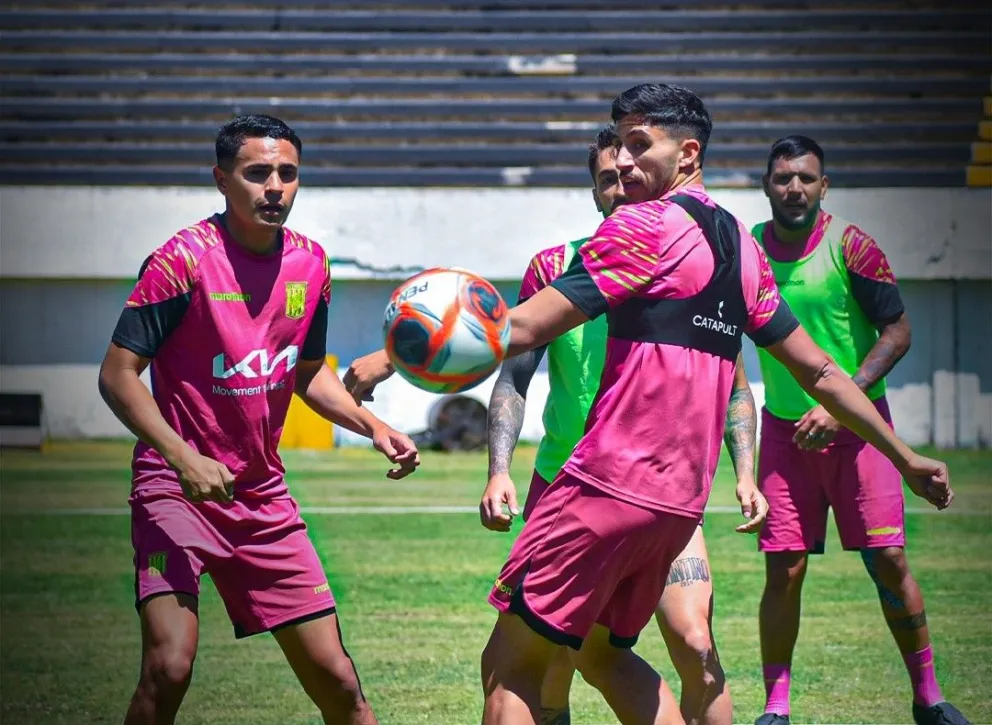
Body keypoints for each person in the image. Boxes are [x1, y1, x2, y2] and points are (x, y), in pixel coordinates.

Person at [343, 84, 953, 725]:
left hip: (606, 486)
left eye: (640, 146)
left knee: (512, 668)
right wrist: (906, 457)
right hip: (678, 505)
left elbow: (519, 330)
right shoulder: (741, 246)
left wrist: (394, 353)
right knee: (604, 656)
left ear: (688, 153)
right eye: (619, 148)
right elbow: (822, 371)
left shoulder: (643, 225)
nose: (625, 163)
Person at [98, 114, 420, 725]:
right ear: (222, 180)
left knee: (339, 683)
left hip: (262, 497)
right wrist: (182, 457)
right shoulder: (179, 260)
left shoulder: (311, 265)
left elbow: (305, 372)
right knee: (169, 666)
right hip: (176, 488)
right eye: (257, 173)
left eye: (288, 173)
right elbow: (117, 375)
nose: (275, 186)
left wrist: (371, 427)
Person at [480, 123, 760, 725]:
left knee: (693, 642)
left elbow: (735, 387)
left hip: (659, 487)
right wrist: (498, 470)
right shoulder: (555, 266)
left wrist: (747, 476)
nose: (620, 185)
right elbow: (514, 375)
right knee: (556, 664)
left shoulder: (691, 262)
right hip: (567, 482)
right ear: (594, 191)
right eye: (606, 179)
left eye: (629, 171)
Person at [750, 135, 970, 725]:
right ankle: (776, 708)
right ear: (766, 185)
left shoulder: (854, 246)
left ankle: (928, 698)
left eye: (806, 178)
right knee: (784, 568)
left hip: (861, 432)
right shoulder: (746, 252)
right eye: (782, 178)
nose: (793, 188)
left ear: (824, 186)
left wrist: (840, 401)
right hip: (783, 435)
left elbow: (896, 332)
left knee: (888, 560)